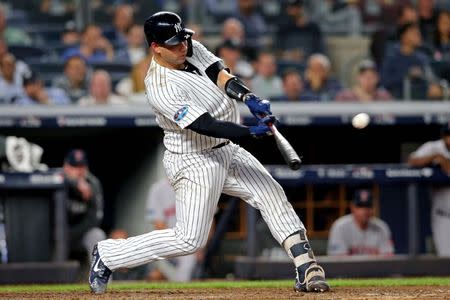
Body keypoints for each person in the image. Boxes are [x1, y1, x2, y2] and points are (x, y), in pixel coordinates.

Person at [89, 11, 329, 294]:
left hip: (226, 149)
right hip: (194, 159)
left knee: (270, 193)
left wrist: (248, 97)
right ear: (155, 47)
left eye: (183, 39)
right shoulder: (160, 86)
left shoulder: (186, 48)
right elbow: (204, 125)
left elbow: (218, 72)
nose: (182, 46)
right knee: (189, 240)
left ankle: (306, 266)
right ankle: (108, 255)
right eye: (174, 43)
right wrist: (251, 132)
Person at [146, 178, 203, 282]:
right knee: (155, 276)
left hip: (193, 245)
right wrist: (175, 246)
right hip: (167, 244)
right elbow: (158, 224)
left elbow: (208, 220)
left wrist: (202, 246)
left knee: (188, 262)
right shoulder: (158, 189)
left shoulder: (197, 187)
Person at [408, 122, 450, 257]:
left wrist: (445, 161)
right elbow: (412, 161)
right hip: (443, 215)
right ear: (444, 136)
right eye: (448, 135)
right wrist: (434, 157)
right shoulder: (434, 147)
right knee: (446, 258)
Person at [63, 149, 106, 264]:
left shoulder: (93, 184)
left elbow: (96, 219)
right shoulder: (57, 180)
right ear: (66, 167)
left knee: (97, 234)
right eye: (75, 167)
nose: (80, 171)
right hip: (58, 236)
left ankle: (100, 280)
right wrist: (74, 183)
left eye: (82, 166)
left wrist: (91, 197)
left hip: (79, 235)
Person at [327, 190, 394, 256]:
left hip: (375, 267)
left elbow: (388, 257)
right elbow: (337, 260)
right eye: (360, 206)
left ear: (373, 208)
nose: (364, 210)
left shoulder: (382, 227)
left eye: (368, 206)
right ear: (352, 207)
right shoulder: (340, 226)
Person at [381, 22, 434, 99]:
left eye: (418, 33)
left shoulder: (422, 58)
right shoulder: (391, 58)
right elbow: (384, 82)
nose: (418, 35)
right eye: (414, 33)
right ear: (403, 36)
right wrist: (407, 75)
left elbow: (430, 78)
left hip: (422, 101)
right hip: (398, 101)